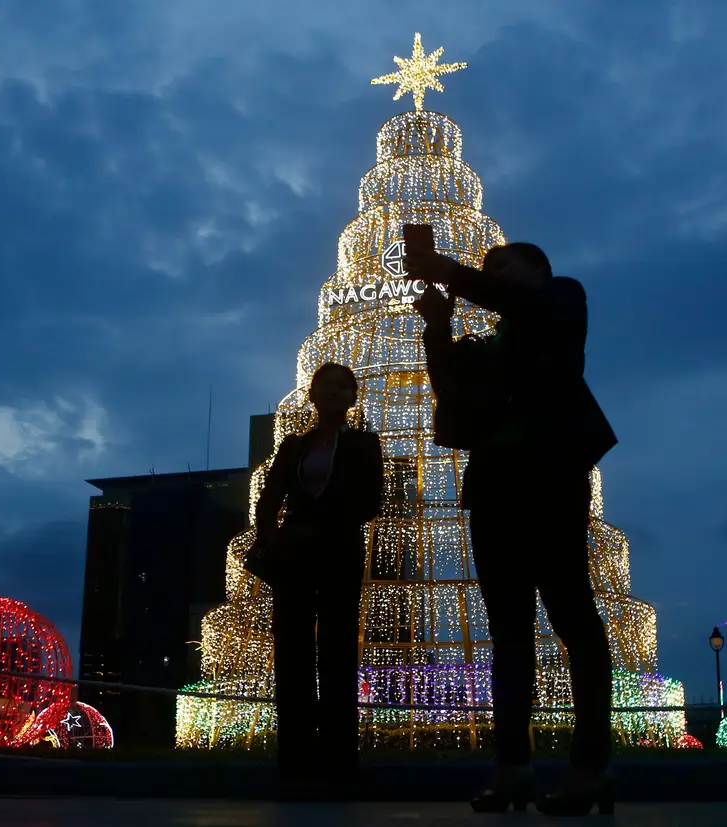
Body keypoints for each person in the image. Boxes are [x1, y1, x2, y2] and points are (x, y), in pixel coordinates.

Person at [409, 243, 618, 817]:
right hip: (496, 488)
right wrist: (439, 326)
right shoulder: (495, 342)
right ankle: (513, 765)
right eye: (488, 267)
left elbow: (527, 307)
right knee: (508, 631)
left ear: (538, 269)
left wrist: (453, 272)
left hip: (550, 479)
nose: (492, 272)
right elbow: (450, 389)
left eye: (504, 265)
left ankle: (591, 765)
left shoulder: (561, 297)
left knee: (573, 616)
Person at [251, 362, 384, 798]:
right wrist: (274, 537)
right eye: (324, 385)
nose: (332, 392)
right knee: (292, 653)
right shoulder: (293, 446)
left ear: (352, 396)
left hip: (338, 553)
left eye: (341, 386)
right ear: (312, 394)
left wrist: (319, 528)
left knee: (337, 652)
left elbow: (370, 501)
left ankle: (339, 761)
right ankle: (295, 761)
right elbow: (269, 499)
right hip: (293, 559)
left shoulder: (365, 444)